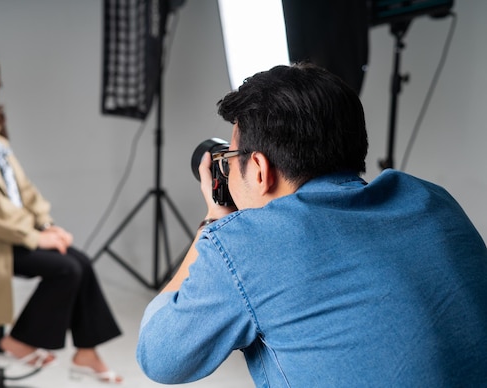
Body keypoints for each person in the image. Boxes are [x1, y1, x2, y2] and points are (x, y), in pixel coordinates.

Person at [136, 63, 487, 386]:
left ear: (259, 169)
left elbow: (159, 357)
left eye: (230, 159)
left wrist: (214, 221)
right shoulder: (431, 199)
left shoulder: (248, 244)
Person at [0, 42, 122, 383]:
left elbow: (21, 186)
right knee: (65, 270)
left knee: (81, 263)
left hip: (9, 231)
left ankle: (86, 353)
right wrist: (34, 236)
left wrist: (46, 224)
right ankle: (17, 341)